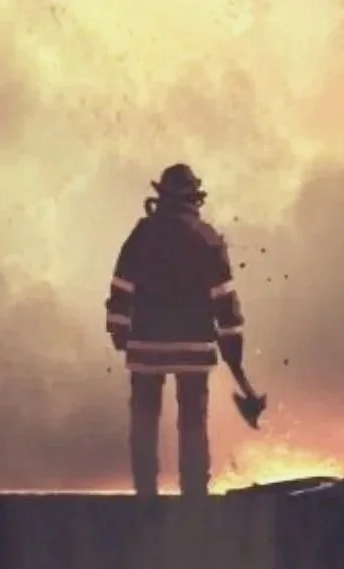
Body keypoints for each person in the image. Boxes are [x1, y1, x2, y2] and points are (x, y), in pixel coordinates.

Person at [104, 163, 246, 497]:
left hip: (146, 345)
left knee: (144, 422)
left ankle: (145, 493)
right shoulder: (207, 237)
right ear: (195, 198)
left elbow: (121, 287)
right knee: (193, 423)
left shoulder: (141, 235)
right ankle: (195, 494)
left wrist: (119, 332)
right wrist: (233, 344)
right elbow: (224, 301)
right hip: (193, 349)